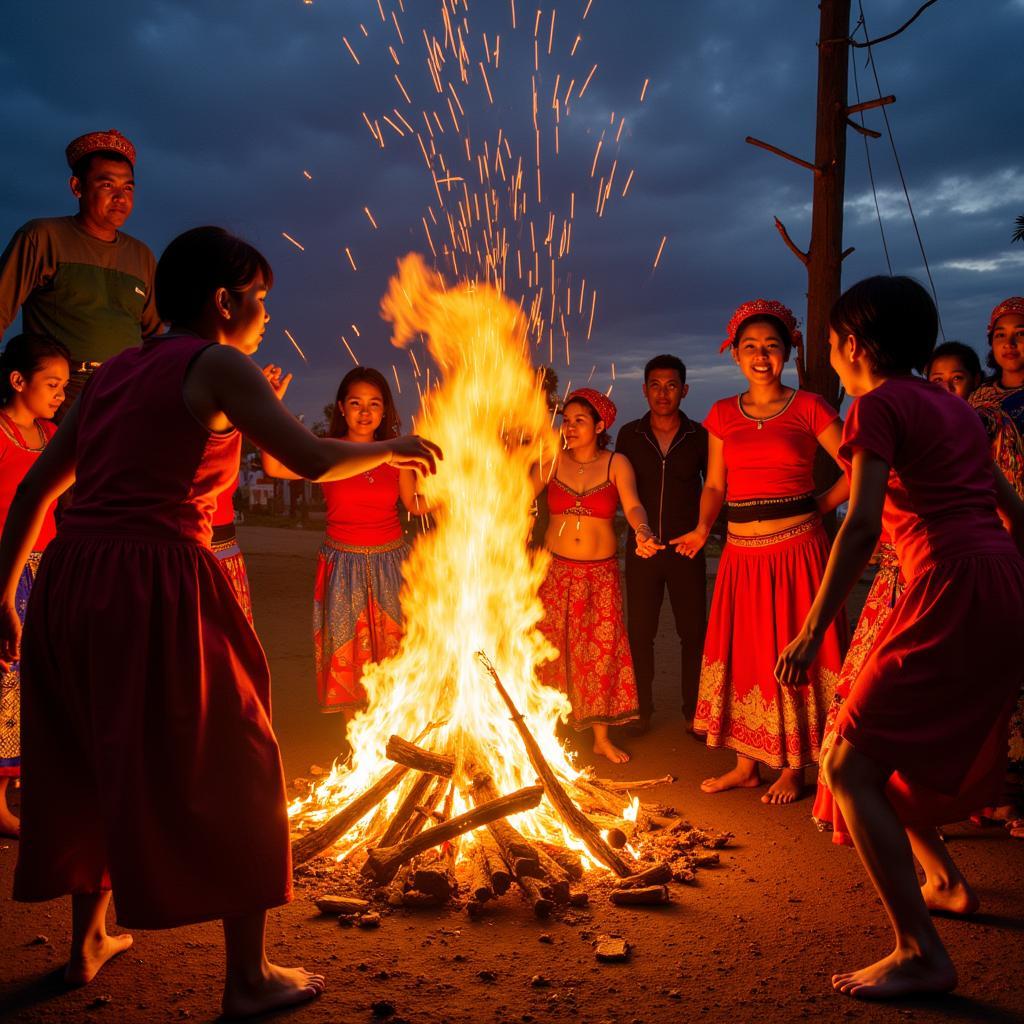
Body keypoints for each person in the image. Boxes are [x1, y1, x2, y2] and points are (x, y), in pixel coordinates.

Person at [0, 226, 440, 1015]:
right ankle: (247, 977)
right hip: (157, 577)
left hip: (72, 578)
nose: (267, 313)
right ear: (225, 299)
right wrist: (395, 445)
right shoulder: (217, 363)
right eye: (261, 297)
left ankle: (87, 942)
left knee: (94, 755)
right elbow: (306, 458)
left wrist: (2, 593)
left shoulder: (113, 374)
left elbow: (37, 491)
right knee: (240, 758)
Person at [776, 275, 1024, 1000]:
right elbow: (1011, 509)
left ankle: (921, 952)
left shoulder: (875, 406)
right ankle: (944, 880)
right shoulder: (956, 410)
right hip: (998, 580)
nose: (832, 354)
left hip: (947, 586)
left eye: (829, 344)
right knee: (882, 744)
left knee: (850, 765)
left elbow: (859, 521)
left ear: (853, 346)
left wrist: (812, 624)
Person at [674, 299, 849, 804]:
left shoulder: (811, 407)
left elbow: (856, 467)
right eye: (750, 346)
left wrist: (819, 505)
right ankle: (746, 764)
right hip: (741, 556)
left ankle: (794, 767)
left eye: (772, 346)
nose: (761, 355)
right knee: (745, 653)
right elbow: (716, 486)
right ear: (735, 355)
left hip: (798, 553)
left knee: (794, 652)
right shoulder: (722, 414)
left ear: (787, 353)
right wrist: (703, 527)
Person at [263, 367, 429, 717]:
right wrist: (269, 407)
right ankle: (361, 748)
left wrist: (463, 490)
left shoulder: (398, 454)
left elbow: (415, 503)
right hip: (343, 568)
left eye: (374, 404)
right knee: (350, 658)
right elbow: (276, 469)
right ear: (341, 407)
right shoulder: (326, 451)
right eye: (356, 403)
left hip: (392, 567)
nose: (365, 412)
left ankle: (397, 737)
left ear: (385, 411)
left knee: (396, 656)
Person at [532, 388, 660, 764]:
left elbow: (633, 504)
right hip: (555, 572)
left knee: (600, 653)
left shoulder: (616, 463)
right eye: (566, 420)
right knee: (549, 650)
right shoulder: (553, 458)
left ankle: (601, 738)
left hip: (599, 575)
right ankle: (543, 732)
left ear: (600, 425)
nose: (569, 427)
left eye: (579, 421)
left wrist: (643, 531)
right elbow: (520, 489)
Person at [0, 130, 160, 416]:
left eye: (129, 188)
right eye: (107, 184)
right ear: (77, 186)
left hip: (126, 398)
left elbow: (155, 338)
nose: (120, 197)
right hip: (62, 401)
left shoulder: (141, 256)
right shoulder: (42, 237)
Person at [615, 355, 708, 734]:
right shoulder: (629, 434)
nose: (663, 393)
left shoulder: (700, 436)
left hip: (688, 549)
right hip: (642, 550)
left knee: (694, 633)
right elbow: (625, 491)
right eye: (655, 385)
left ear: (684, 390)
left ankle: (694, 711)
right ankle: (641, 710)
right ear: (645, 390)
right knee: (640, 631)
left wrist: (706, 531)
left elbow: (715, 488)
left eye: (671, 385)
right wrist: (641, 533)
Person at [0, 334, 69, 836]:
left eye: (65, 386)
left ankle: (32, 784)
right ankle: (0, 801)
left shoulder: (51, 435)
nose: (61, 394)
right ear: (18, 381)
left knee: (42, 680)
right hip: (6, 569)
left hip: (48, 567)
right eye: (52, 383)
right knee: (5, 679)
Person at [968, 297, 1024, 835]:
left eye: (1021, 332)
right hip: (993, 530)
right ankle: (993, 789)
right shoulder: (980, 401)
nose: (1010, 343)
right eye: (1001, 334)